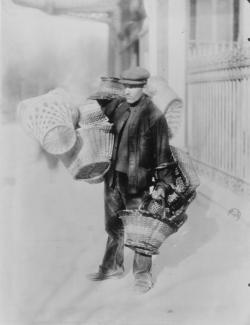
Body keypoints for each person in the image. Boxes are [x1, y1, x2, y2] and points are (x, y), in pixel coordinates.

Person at [89, 66, 175, 293]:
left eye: (132, 87)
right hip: (114, 178)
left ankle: (142, 274)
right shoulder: (119, 107)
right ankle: (112, 266)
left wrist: (163, 187)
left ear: (143, 87)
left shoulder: (154, 116)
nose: (126, 91)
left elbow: (164, 154)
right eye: (124, 86)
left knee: (141, 230)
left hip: (139, 182)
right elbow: (97, 111)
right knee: (112, 225)